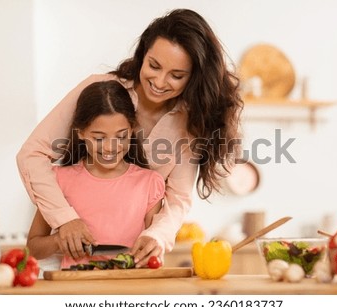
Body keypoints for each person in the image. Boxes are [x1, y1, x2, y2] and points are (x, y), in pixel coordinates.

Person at [17, 8, 243, 268]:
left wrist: (158, 235)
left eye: (176, 75)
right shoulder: (100, 91)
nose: (159, 81)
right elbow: (32, 153)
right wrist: (64, 219)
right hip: (74, 268)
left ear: (194, 77)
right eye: (154, 65)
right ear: (142, 54)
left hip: (134, 267)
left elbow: (178, 197)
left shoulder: (190, 122)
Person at [26, 80, 165, 268]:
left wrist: (151, 251)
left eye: (121, 136)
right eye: (99, 138)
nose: (110, 147)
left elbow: (151, 246)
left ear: (132, 130)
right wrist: (59, 240)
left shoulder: (149, 183)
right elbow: (33, 248)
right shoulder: (58, 180)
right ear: (81, 133)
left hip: (131, 289)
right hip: (76, 290)